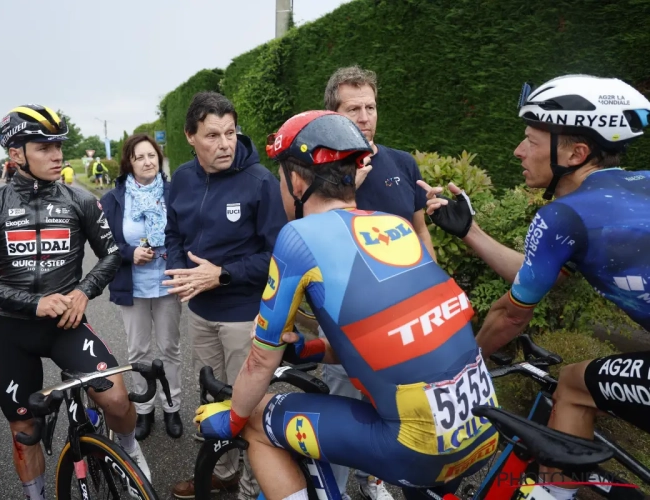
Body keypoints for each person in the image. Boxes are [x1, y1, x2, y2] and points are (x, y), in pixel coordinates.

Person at [193, 110, 499, 500]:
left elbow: (259, 362)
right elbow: (391, 336)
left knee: (255, 420)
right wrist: (314, 347)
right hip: (484, 425)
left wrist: (233, 416)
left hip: (417, 443)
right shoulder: (396, 225)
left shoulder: (298, 238)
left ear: (298, 180)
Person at [423, 75, 650, 500]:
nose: (518, 151)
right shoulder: (635, 190)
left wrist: (466, 367)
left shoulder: (565, 216)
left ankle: (552, 495)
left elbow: (512, 314)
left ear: (575, 152)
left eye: (530, 140)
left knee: (574, 386)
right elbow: (537, 275)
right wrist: (470, 231)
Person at [0, 104, 152, 500]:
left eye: (58, 144)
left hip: (66, 324)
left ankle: (129, 448)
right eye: (43, 147)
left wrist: (83, 292)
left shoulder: (79, 199)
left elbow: (112, 254)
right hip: (14, 330)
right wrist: (32, 304)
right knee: (25, 433)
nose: (57, 154)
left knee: (115, 397)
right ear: (16, 155)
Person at [319, 65, 436, 500]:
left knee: (400, 408)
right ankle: (338, 487)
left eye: (370, 106)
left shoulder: (402, 162)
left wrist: (432, 284)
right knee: (347, 409)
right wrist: (347, 186)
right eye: (354, 108)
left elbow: (419, 231)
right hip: (349, 316)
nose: (365, 116)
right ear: (332, 114)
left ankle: (376, 480)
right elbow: (303, 234)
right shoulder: (319, 168)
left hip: (405, 311)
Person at [163, 91, 287, 500]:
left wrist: (223, 275)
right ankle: (225, 473)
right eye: (212, 135)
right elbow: (174, 233)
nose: (224, 144)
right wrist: (183, 273)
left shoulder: (260, 182)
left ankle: (254, 488)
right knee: (215, 396)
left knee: (246, 403)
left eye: (230, 133)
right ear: (190, 137)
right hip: (199, 312)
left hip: (243, 314)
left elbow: (276, 255)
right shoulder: (180, 178)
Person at [100, 134, 183, 440]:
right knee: (139, 350)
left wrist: (170, 253)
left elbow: (183, 235)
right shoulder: (114, 199)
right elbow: (105, 244)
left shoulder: (174, 194)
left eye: (152, 156)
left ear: (159, 159)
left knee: (170, 348)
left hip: (167, 284)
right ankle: (145, 409)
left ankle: (172, 407)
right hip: (132, 287)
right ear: (129, 163)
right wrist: (129, 253)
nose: (147, 162)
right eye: (140, 157)